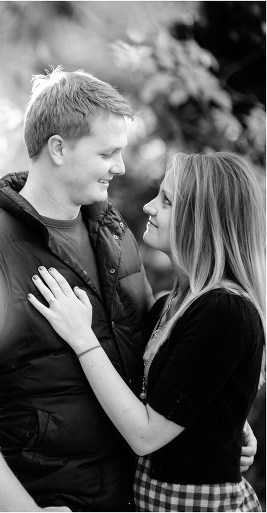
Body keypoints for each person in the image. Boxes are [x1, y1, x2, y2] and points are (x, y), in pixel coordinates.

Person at [0, 68, 257, 512]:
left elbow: (152, 357)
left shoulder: (115, 232)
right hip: (52, 501)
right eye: (107, 153)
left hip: (135, 498)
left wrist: (216, 418)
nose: (120, 166)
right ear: (59, 148)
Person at [27, 152, 264, 511]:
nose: (151, 206)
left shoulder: (226, 311)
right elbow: (179, 397)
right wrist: (230, 426)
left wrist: (82, 337)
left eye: (167, 201)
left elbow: (145, 434)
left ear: (201, 222)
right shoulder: (169, 306)